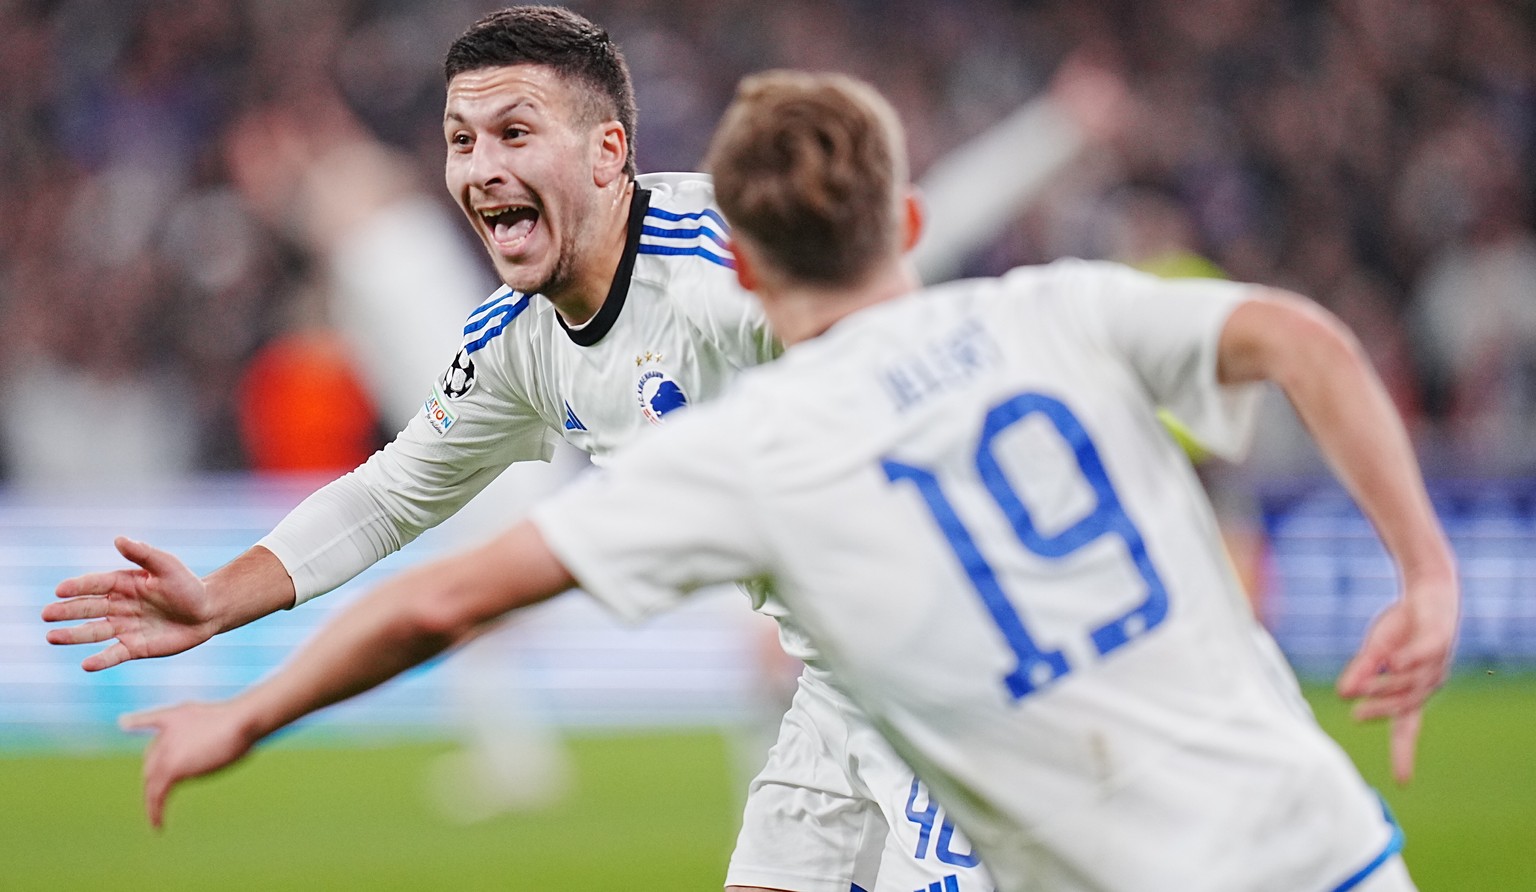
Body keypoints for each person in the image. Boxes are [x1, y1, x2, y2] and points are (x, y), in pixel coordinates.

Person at [63, 68, 1457, 891]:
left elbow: (448, 598)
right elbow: (1302, 334)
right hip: (1318, 838)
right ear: (907, 221)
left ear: (735, 259)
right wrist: (1426, 572)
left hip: (1001, 780)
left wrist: (246, 713)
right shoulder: (1058, 307)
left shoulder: (759, 453)